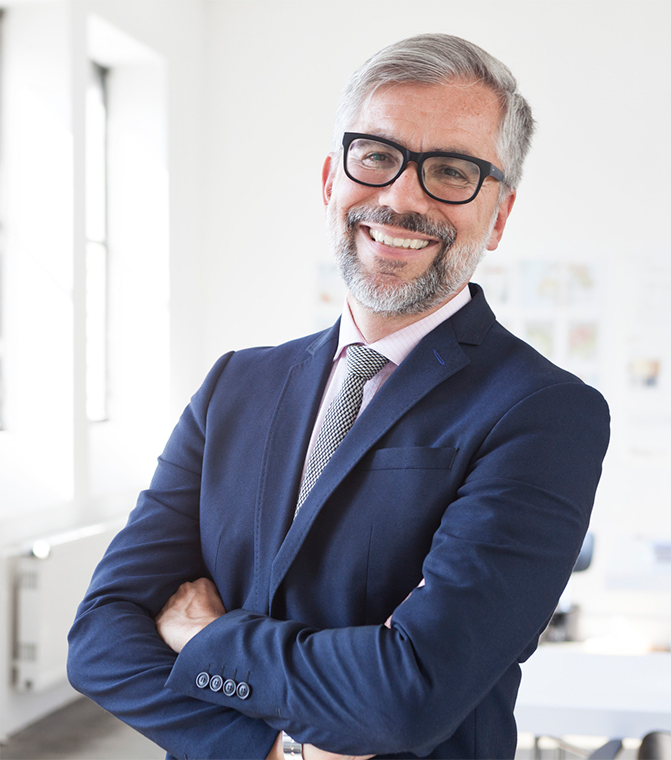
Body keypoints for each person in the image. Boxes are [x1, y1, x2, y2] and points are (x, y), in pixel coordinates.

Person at [68, 33, 610, 760]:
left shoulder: (543, 411)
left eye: (450, 170)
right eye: (377, 156)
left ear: (500, 215)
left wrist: (203, 637)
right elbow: (100, 636)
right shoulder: (237, 384)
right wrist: (271, 751)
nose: (400, 197)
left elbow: (409, 696)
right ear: (331, 177)